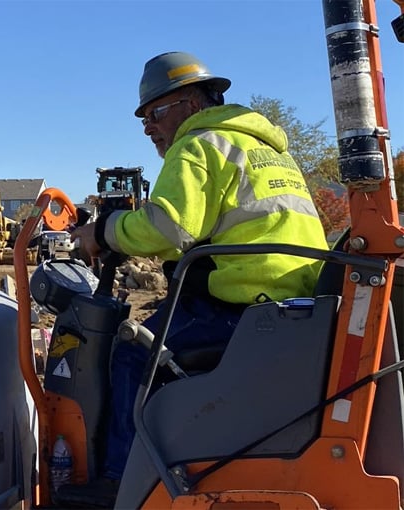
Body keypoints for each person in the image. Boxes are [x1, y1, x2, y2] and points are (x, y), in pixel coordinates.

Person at [63, 51, 328, 506]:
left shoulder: (199, 144)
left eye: (154, 112)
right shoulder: (265, 151)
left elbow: (169, 227)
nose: (148, 126)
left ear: (188, 102)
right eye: (143, 118)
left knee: (130, 353)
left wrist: (104, 232)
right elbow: (202, 227)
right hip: (297, 302)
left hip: (241, 304)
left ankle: (119, 482)